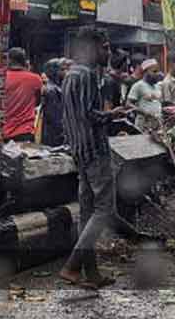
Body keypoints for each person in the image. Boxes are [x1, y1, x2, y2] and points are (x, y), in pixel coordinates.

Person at [57, 28, 128, 290]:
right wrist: (114, 114)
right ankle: (72, 266)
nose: (108, 53)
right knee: (104, 210)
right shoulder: (87, 75)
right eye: (105, 47)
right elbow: (90, 114)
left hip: (79, 150)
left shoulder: (70, 74)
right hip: (94, 150)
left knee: (87, 212)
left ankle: (91, 272)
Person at [2, 47, 43, 143]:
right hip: (25, 131)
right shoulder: (35, 79)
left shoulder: (1, 79)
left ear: (9, 60)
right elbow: (38, 102)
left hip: (2, 131)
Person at [126, 59, 163, 134]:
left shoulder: (157, 86)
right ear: (145, 72)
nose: (157, 74)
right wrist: (144, 113)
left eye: (158, 71)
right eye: (154, 71)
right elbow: (128, 104)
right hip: (143, 126)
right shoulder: (138, 85)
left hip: (156, 125)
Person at [40, 58, 66, 147]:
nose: (65, 72)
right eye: (61, 70)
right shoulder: (51, 90)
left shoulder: (56, 88)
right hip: (53, 136)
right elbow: (55, 117)